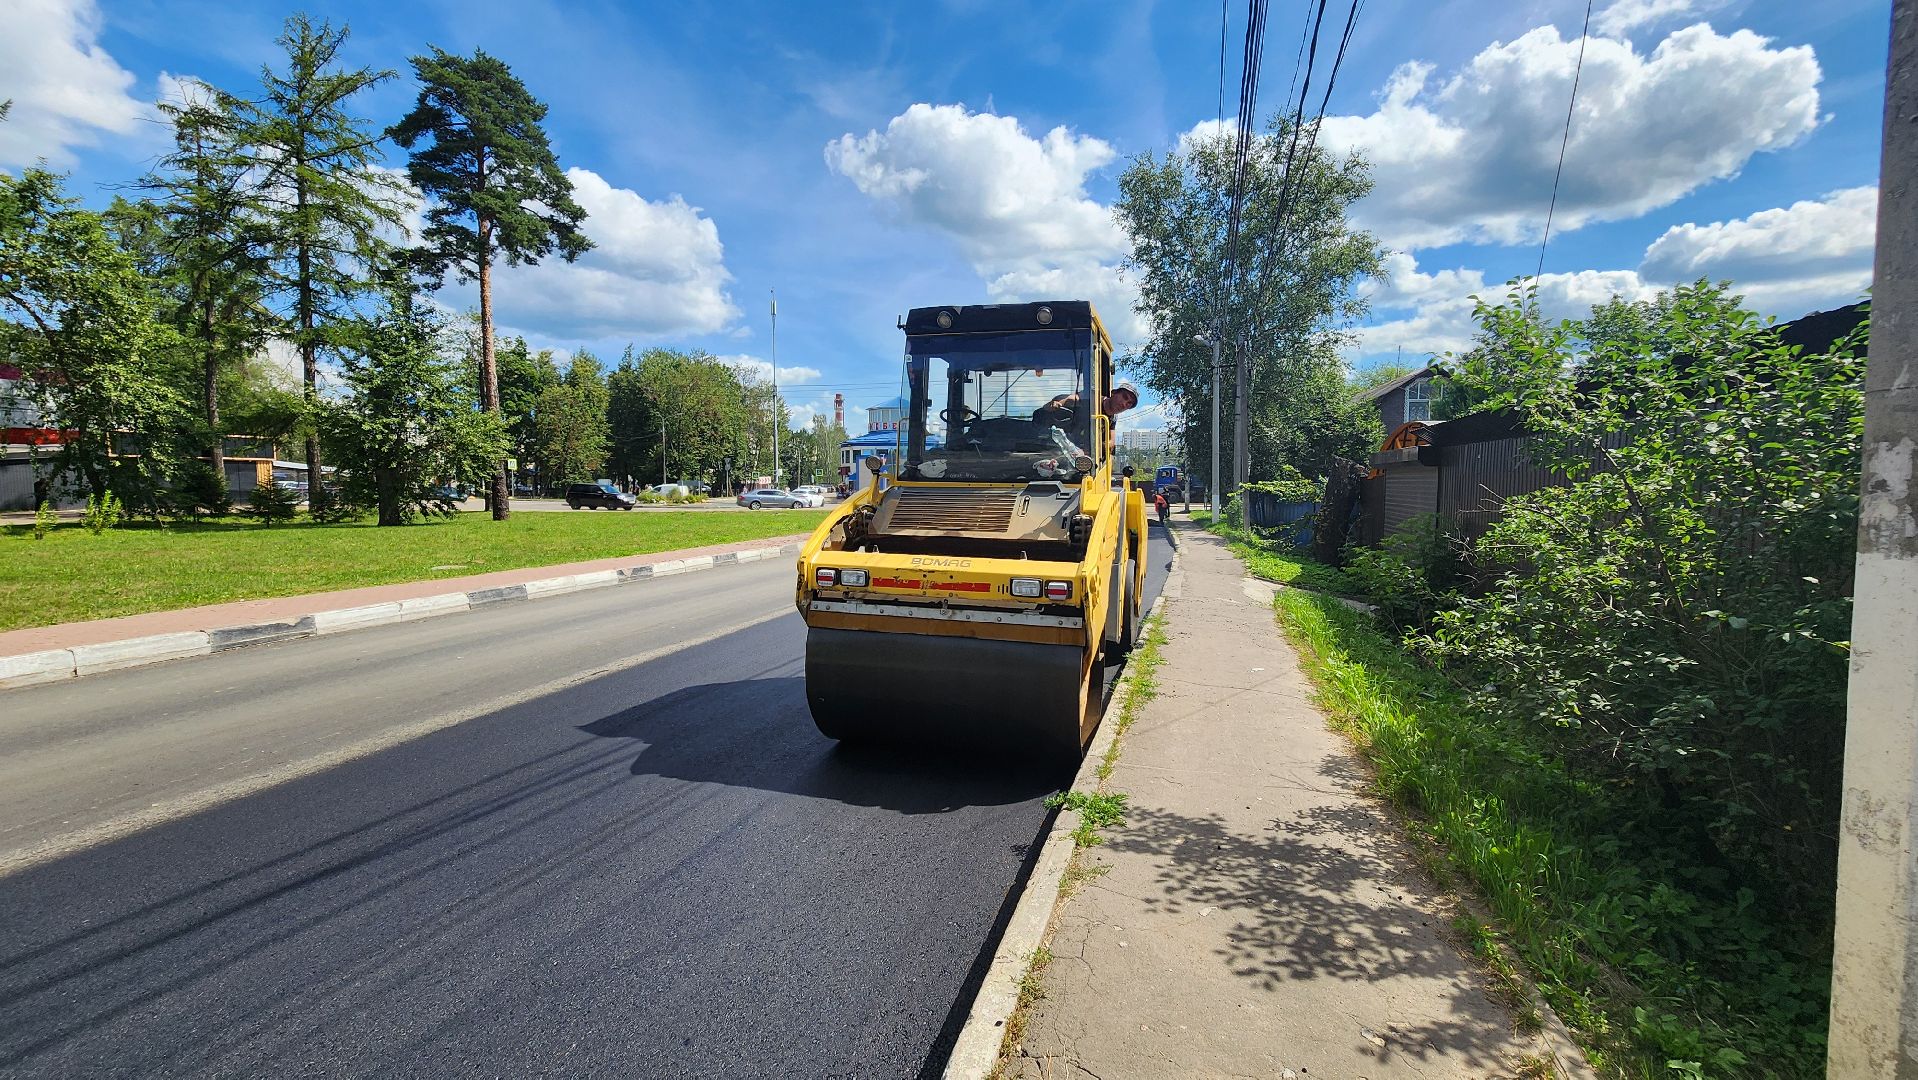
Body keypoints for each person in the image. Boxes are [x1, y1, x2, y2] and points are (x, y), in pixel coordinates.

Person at [1032, 380, 1140, 427]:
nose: (1124, 404)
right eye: (1124, 397)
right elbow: (1071, 399)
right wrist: (1056, 404)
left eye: (1129, 404)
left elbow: (1111, 441)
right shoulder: (1092, 398)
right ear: (1114, 393)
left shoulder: (1113, 418)